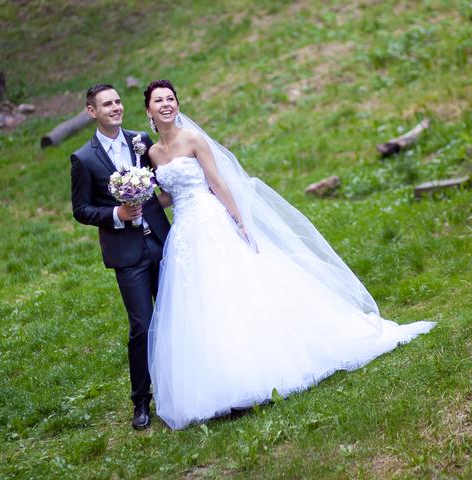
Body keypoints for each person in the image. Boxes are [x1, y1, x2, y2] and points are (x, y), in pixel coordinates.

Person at [144, 80, 435, 430]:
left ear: (178, 104)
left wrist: (239, 221)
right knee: (201, 299)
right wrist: (138, 196)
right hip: (185, 232)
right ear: (148, 111)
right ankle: (220, 379)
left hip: (211, 220)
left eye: (171, 98)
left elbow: (216, 182)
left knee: (235, 287)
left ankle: (268, 365)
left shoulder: (193, 139)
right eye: (159, 100)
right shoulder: (153, 154)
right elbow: (170, 195)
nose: (166, 104)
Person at [70, 84, 171, 430]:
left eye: (117, 101)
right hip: (127, 254)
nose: (115, 107)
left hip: (161, 241)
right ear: (92, 112)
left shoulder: (140, 140)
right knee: (142, 325)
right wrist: (117, 215)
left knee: (177, 314)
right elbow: (81, 209)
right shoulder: (83, 159)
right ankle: (141, 401)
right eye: (106, 104)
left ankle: (183, 386)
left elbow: (162, 183)